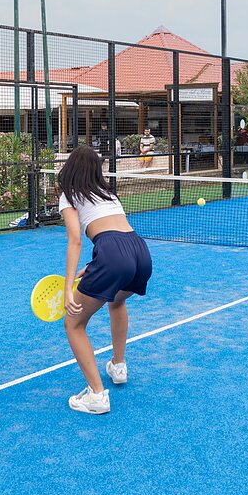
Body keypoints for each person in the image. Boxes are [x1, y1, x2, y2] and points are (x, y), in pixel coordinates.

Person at [57, 145, 152, 415]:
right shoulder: (107, 193)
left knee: (73, 324)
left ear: (70, 168)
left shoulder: (69, 195)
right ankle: (118, 367)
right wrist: (94, 266)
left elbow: (76, 240)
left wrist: (67, 288)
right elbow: (116, 233)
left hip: (113, 254)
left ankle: (96, 396)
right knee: (117, 302)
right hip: (140, 252)